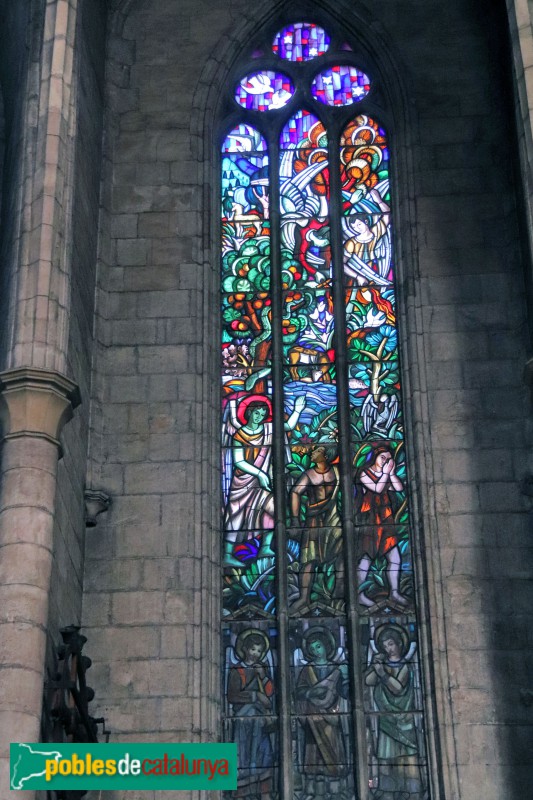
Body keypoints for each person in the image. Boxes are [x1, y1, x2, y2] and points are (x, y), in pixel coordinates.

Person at [223, 394, 305, 566]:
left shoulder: (269, 429)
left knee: (276, 509)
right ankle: (228, 554)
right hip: (243, 482)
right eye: (256, 413)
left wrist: (297, 409)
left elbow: (288, 426)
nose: (259, 417)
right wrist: (260, 474)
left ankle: (265, 547)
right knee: (235, 517)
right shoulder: (239, 435)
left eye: (262, 414)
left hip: (263, 483)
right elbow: (239, 461)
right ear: (249, 413)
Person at [364, 624, 424, 799]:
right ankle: (388, 790)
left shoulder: (405, 666)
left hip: (404, 719)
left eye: (390, 644)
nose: (388, 649)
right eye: (384, 645)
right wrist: (375, 666)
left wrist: (382, 672)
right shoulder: (383, 664)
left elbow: (397, 688)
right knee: (386, 756)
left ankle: (412, 790)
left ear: (399, 644)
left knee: (407, 757)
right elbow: (368, 681)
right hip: (387, 720)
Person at [295, 627, 350, 797]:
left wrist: (345, 677)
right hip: (312, 718)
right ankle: (312, 790)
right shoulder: (307, 670)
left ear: (327, 646)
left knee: (334, 752)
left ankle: (335, 791)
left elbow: (346, 692)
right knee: (313, 754)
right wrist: (311, 693)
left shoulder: (336, 668)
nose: (315, 651)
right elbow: (299, 691)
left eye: (318, 646)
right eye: (312, 649)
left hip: (333, 716)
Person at [355, 445, 409, 609]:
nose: (385, 461)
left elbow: (398, 488)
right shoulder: (364, 473)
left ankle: (394, 592)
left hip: (386, 519)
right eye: (382, 457)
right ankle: (359, 594)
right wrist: (386, 474)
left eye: (388, 458)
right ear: (375, 457)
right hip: (371, 521)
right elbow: (377, 489)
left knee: (395, 558)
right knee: (366, 557)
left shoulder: (385, 474)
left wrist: (391, 473)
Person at [290, 445, 342, 612]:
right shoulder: (309, 474)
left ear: (326, 455)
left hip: (334, 517)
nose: (313, 452)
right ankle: (304, 598)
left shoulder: (337, 472)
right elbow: (295, 492)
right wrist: (295, 519)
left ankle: (339, 594)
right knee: (308, 559)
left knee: (341, 554)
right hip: (314, 519)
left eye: (318, 450)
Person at [227, 629, 275, 800]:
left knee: (264, 757)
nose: (255, 654)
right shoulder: (236, 670)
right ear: (245, 649)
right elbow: (232, 695)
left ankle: (265, 794)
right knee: (244, 760)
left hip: (260, 724)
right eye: (253, 649)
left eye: (259, 651)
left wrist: (263, 677)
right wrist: (255, 696)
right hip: (243, 724)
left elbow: (270, 694)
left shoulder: (262, 669)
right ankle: (240, 795)